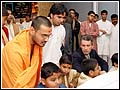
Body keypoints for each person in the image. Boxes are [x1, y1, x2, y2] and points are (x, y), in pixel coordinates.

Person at [2, 16, 52, 88]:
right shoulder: (14, 51)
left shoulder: (37, 44)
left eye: (49, 36)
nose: (47, 39)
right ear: (32, 30)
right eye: (44, 35)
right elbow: (16, 85)